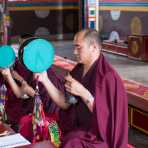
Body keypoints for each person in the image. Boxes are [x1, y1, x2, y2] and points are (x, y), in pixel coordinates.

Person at [34, 28, 128, 148]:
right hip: (78, 129)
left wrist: (84, 93)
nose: (74, 52)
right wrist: (45, 79)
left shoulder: (108, 78)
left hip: (100, 136)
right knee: (50, 129)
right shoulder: (78, 71)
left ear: (93, 47)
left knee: (72, 142)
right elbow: (66, 103)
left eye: (78, 47)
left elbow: (108, 120)